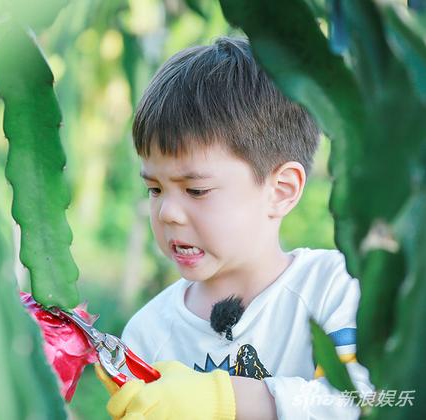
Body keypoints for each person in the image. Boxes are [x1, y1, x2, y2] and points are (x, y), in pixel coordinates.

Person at [95, 37, 373, 419]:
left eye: (196, 190)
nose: (167, 213)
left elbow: (364, 403)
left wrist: (223, 399)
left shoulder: (333, 289)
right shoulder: (147, 335)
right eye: (155, 189)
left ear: (281, 190)